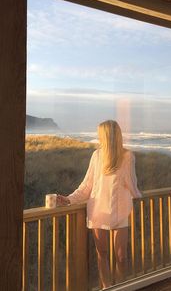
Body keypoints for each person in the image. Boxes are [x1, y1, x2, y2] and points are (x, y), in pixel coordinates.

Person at [57, 120, 142, 290]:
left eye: (100, 134)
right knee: (102, 253)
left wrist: (138, 194)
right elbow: (87, 185)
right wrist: (69, 199)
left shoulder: (127, 156)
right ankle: (107, 287)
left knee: (121, 256)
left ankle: (121, 287)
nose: (98, 137)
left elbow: (133, 186)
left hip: (120, 211)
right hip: (98, 210)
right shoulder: (96, 155)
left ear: (108, 135)